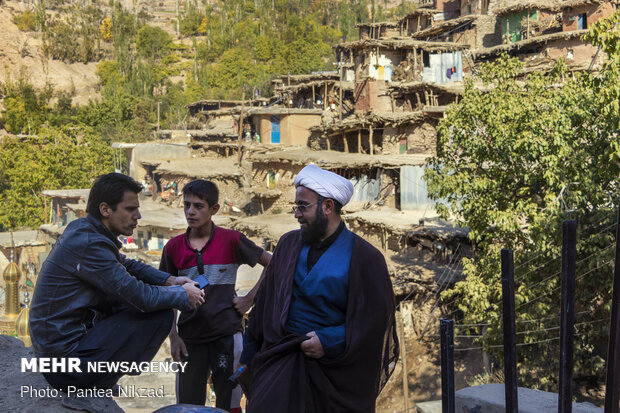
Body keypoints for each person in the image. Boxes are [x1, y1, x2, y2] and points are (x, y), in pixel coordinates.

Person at [29, 173, 205, 411]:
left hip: (61, 355)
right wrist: (182, 295)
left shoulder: (85, 229)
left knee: (136, 302)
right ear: (105, 209)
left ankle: (97, 380)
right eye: (131, 209)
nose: (138, 216)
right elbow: (140, 296)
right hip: (65, 366)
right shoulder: (89, 243)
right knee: (159, 313)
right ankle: (90, 385)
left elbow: (127, 264)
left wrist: (170, 279)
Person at [239, 164, 399, 413]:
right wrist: (248, 357)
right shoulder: (287, 244)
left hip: (333, 377)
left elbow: (376, 322)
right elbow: (264, 306)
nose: (296, 214)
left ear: (328, 207)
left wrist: (330, 340)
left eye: (303, 206)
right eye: (296, 206)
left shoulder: (365, 258)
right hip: (280, 363)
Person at [160, 180, 271, 412]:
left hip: (227, 337)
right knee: (188, 407)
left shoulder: (232, 240)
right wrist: (173, 336)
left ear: (214, 210)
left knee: (229, 404)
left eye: (198, 206)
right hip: (189, 340)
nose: (191, 212)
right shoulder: (172, 248)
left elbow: (274, 263)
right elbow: (166, 295)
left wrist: (250, 298)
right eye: (187, 205)